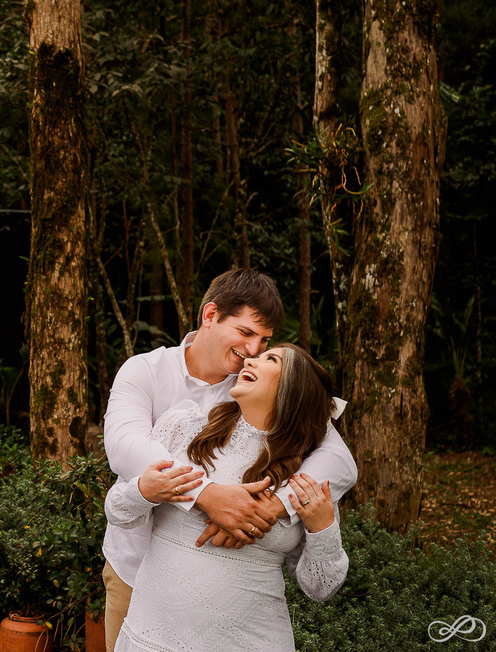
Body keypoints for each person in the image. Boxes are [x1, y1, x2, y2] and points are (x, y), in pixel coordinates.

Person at [101, 269, 357, 649]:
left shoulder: (258, 389)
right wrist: (207, 496)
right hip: (134, 567)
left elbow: (338, 459)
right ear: (210, 316)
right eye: (246, 333)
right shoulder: (146, 371)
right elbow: (125, 447)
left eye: (265, 341)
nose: (253, 350)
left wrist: (269, 506)